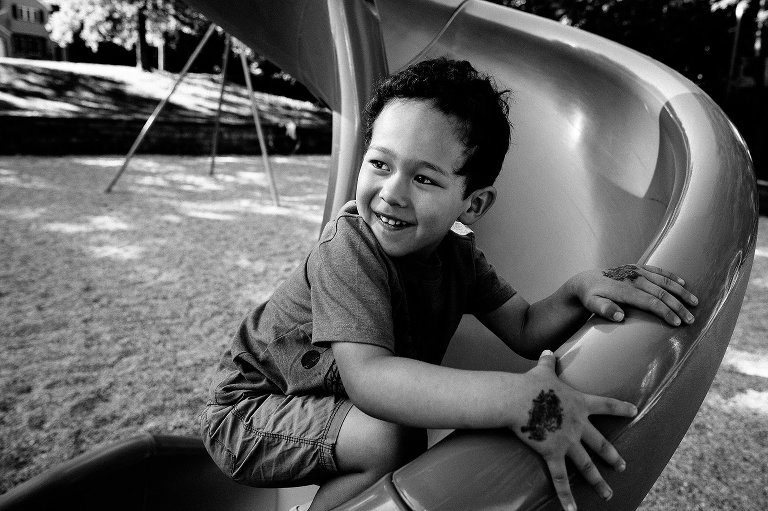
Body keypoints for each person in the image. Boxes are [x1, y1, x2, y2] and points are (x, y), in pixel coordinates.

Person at [199, 57, 698, 511]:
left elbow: (525, 328)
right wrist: (519, 399)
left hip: (319, 407)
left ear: (473, 204)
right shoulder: (348, 250)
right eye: (380, 163)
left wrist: (575, 291)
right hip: (248, 413)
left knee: (400, 433)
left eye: (425, 179)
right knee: (386, 437)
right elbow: (370, 380)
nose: (390, 193)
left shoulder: (460, 257)